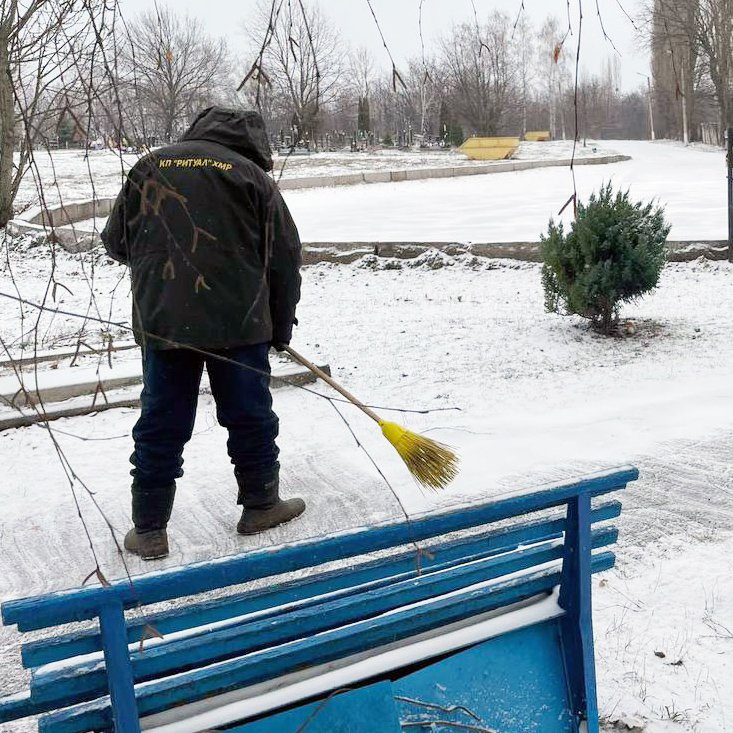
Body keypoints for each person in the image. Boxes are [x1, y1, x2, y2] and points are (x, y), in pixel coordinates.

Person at [101, 107, 305, 561]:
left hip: (165, 323)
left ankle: (149, 529)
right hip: (241, 324)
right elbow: (285, 258)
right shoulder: (252, 178)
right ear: (254, 141)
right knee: (250, 415)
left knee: (161, 420)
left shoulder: (150, 165)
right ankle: (261, 505)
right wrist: (280, 325)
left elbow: (116, 242)